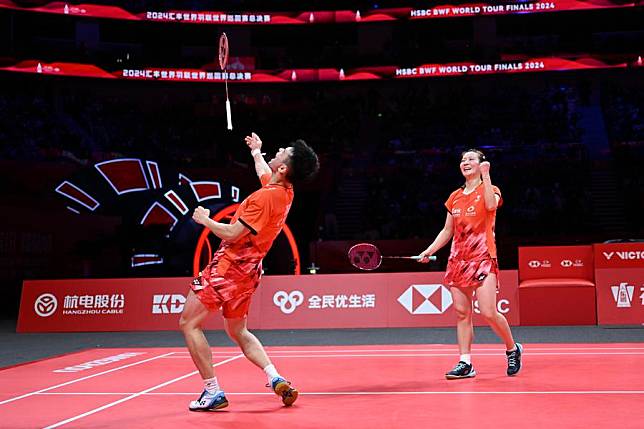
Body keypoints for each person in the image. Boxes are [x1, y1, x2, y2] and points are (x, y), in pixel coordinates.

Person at [180, 132, 319, 411]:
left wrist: (205, 220)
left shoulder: (262, 199)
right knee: (237, 330)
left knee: (189, 323)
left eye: (284, 150)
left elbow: (232, 233)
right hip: (249, 272)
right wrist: (257, 152)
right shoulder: (284, 192)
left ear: (283, 168)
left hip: (227, 268)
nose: (279, 148)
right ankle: (274, 376)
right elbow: (266, 174)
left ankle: (213, 391)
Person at [418, 149, 523, 379]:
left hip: (483, 257)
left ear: (482, 165)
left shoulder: (491, 189)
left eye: (471, 159)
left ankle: (512, 348)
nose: (465, 162)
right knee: (462, 313)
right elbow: (448, 230)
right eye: (463, 159)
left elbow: (491, 206)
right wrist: (429, 250)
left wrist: (486, 176)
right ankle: (465, 362)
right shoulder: (454, 196)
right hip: (458, 260)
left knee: (488, 311)